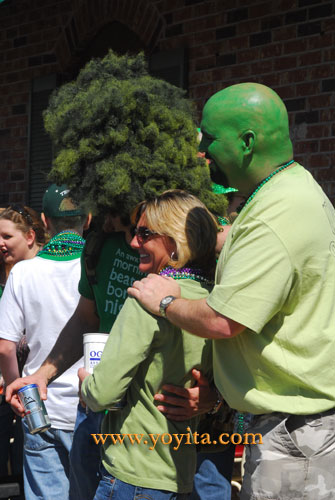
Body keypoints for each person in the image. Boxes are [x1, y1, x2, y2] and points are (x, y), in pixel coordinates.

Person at [128, 83, 335, 499]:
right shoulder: (284, 194)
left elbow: (224, 321)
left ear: (247, 143)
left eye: (209, 137)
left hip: (292, 436)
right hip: (291, 429)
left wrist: (165, 300)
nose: (201, 151)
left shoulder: (276, 215)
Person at [78, 189, 219, 499]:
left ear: (173, 241)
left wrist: (86, 385)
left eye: (144, 233)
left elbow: (103, 393)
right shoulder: (216, 304)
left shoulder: (148, 298)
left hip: (132, 473)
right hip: (178, 475)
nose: (133, 242)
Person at [0, 184, 91, 500]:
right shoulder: (97, 269)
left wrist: (16, 390)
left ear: (43, 221)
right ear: (88, 219)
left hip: (40, 407)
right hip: (91, 405)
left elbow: (5, 346)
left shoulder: (23, 273)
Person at [0, 204, 47, 485]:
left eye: (7, 237)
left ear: (30, 236)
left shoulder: (44, 273)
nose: (0, 244)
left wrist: (14, 383)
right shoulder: (6, 275)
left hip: (36, 390)